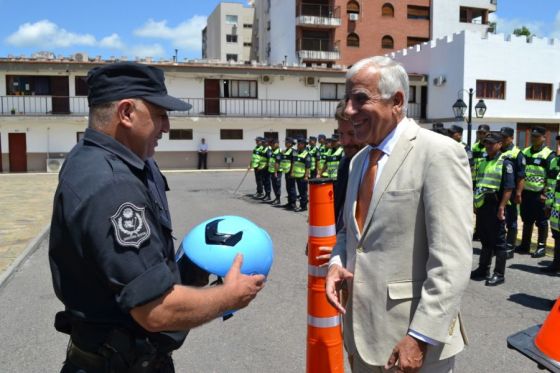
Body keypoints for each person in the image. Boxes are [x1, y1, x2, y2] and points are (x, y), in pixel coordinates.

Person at [48, 62, 265, 373]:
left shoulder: (118, 160)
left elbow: (125, 270)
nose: (166, 126)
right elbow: (154, 310)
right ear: (126, 113)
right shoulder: (112, 184)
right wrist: (229, 296)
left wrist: (189, 269)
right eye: (160, 114)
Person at [325, 56, 472, 372]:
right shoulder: (357, 161)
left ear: (398, 101)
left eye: (361, 99)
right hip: (361, 335)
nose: (349, 110)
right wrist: (337, 263)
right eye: (347, 99)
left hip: (411, 342)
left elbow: (453, 259)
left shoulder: (438, 153)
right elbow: (349, 232)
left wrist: (420, 337)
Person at [470, 132, 515, 286]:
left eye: (491, 143)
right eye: (486, 143)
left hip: (496, 206)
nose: (488, 146)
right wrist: (474, 203)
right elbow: (478, 184)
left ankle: (499, 274)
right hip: (483, 207)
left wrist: (502, 207)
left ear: (500, 144)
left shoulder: (505, 162)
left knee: (499, 242)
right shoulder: (482, 161)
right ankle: (483, 269)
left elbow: (509, 188)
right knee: (485, 240)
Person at [516, 126, 555, 258]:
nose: (534, 138)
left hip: (540, 194)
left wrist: (546, 193)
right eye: (533, 136)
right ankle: (525, 245)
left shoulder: (549, 155)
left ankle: (541, 247)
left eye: (537, 136)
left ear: (544, 138)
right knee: (527, 219)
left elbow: (551, 177)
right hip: (526, 193)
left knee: (542, 222)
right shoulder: (525, 152)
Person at [333, 99, 366, 231]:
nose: (345, 142)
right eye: (341, 134)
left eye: (352, 134)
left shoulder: (379, 167)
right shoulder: (345, 164)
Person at [499, 126, 525, 258]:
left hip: (512, 191)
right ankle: (500, 245)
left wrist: (519, 193)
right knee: (500, 220)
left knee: (511, 221)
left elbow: (521, 176)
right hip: (499, 192)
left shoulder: (517, 153)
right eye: (501, 137)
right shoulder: (498, 150)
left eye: (505, 137)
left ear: (511, 138)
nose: (502, 139)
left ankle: (510, 247)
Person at [291, 137, 311, 212]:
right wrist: (292, 171)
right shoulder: (295, 152)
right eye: (298, 143)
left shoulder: (307, 154)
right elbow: (293, 162)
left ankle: (303, 206)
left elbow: (308, 167)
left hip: (303, 176)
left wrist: (306, 176)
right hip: (297, 175)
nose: (298, 145)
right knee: (300, 191)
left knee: (303, 192)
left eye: (299, 144)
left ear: (303, 145)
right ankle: (302, 205)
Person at [280, 137, 297, 210]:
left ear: (290, 143)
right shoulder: (286, 151)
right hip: (286, 172)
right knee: (288, 187)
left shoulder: (294, 151)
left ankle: (293, 203)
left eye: (287, 142)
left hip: (291, 172)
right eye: (285, 142)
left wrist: (292, 172)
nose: (285, 144)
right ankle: (289, 202)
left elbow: (294, 162)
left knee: (292, 188)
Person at [267, 138, 282, 205]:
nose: (272, 145)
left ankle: (278, 199)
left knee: (277, 185)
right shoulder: (273, 151)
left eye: (274, 143)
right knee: (274, 185)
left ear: (277, 144)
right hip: (272, 171)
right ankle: (276, 198)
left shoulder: (278, 152)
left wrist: (276, 172)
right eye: (272, 144)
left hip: (277, 172)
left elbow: (277, 162)